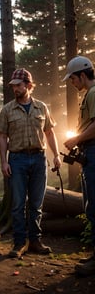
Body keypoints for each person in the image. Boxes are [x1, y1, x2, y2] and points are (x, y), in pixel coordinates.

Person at [0, 68, 62, 258]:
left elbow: (49, 132)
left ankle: (35, 241)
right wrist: (4, 162)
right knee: (17, 204)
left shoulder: (42, 107)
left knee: (36, 204)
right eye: (13, 86)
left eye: (18, 85)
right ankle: (18, 243)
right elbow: (2, 137)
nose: (15, 88)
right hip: (17, 160)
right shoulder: (7, 109)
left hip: (39, 159)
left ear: (29, 86)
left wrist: (56, 155)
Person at [62, 56, 95, 276]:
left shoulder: (93, 93)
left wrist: (76, 139)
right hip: (89, 152)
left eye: (73, 79)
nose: (72, 83)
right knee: (90, 205)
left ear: (82, 75)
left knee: (94, 205)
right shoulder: (88, 95)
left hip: (94, 151)